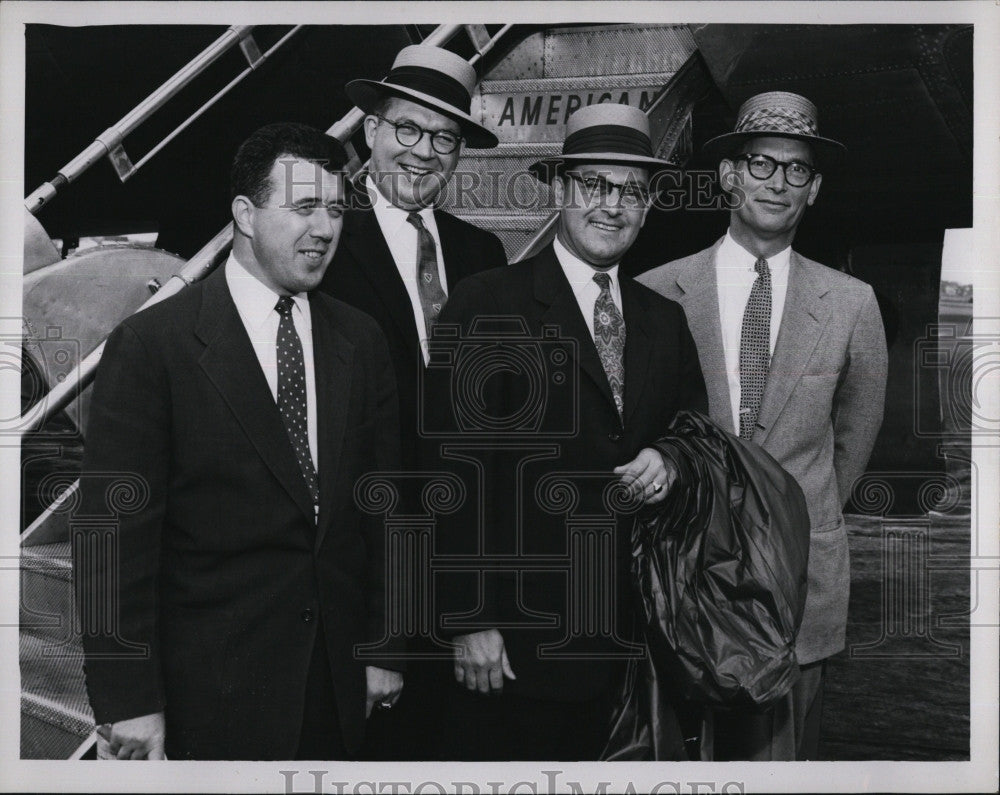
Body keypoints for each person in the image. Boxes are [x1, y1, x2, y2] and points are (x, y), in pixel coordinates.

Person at [74, 123, 403, 760]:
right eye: (304, 207)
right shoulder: (154, 347)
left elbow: (386, 508)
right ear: (245, 216)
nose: (326, 229)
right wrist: (129, 701)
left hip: (336, 690)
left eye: (335, 208)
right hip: (208, 696)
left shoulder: (359, 341)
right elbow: (112, 540)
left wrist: (385, 648)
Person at [433, 103, 708, 760]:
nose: (612, 205)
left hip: (633, 644)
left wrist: (668, 458)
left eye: (631, 190)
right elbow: (450, 471)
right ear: (561, 190)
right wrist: (470, 618)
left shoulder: (664, 319)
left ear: (647, 205)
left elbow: (695, 433)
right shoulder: (487, 301)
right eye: (594, 185)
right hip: (519, 647)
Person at [639, 91, 888, 760]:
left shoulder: (851, 304)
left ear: (815, 191)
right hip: (685, 577)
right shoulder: (658, 290)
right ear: (728, 175)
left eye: (797, 170)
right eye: (760, 164)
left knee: (785, 760)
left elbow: (855, 437)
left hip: (800, 583)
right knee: (678, 758)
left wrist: (792, 513)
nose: (778, 183)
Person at [317, 44, 507, 759]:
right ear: (369, 131)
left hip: (463, 580)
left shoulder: (484, 255)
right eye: (407, 129)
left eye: (445, 138)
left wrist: (475, 602)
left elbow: (490, 449)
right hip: (361, 583)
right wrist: (380, 631)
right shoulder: (323, 243)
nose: (423, 153)